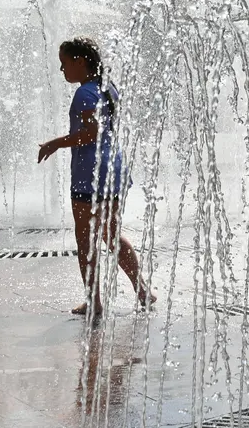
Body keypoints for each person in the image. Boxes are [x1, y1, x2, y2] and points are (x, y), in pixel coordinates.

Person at [38, 37, 153, 316]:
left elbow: (91, 133)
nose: (62, 70)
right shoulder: (107, 87)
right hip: (111, 169)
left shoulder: (84, 93)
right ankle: (142, 290)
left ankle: (94, 301)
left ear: (80, 61)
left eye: (65, 64)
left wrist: (55, 143)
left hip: (90, 173)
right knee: (111, 234)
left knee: (86, 239)